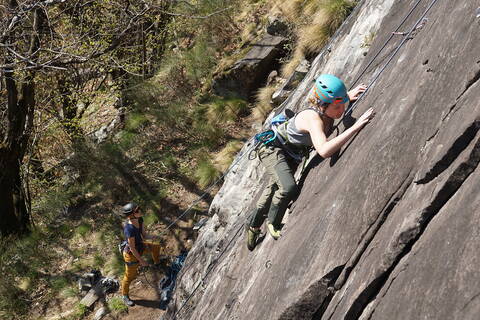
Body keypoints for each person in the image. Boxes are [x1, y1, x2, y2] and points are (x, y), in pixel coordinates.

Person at [246, 74, 375, 251]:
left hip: (291, 152)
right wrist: (355, 127)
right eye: (337, 107)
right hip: (273, 149)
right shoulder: (312, 119)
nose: (341, 111)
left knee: (272, 189)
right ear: (323, 106)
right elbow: (324, 150)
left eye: (342, 105)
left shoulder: (326, 108)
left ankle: (252, 225)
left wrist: (347, 96)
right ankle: (271, 223)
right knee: (287, 187)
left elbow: (334, 106)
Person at [120, 202, 161, 306]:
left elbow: (144, 235)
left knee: (156, 246)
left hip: (140, 247)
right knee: (129, 277)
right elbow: (132, 248)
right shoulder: (129, 229)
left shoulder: (140, 220)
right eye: (137, 210)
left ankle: (157, 263)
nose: (140, 211)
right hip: (131, 255)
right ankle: (124, 295)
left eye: (139, 209)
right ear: (131, 215)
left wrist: (154, 237)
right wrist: (141, 261)